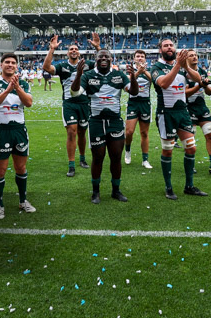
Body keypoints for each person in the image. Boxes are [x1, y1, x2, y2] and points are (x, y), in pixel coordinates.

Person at [72, 50, 138, 203]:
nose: (103, 58)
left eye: (106, 56)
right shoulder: (88, 76)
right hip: (96, 122)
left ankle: (116, 190)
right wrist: (78, 75)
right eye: (100, 56)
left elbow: (134, 92)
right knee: (98, 157)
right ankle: (95, 192)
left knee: (116, 157)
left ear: (110, 59)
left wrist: (133, 77)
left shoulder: (118, 75)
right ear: (95, 59)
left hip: (115, 122)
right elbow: (75, 93)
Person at [150, 38, 207, 200]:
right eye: (165, 46)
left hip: (183, 112)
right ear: (160, 50)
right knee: (168, 150)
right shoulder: (156, 67)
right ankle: (168, 187)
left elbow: (198, 79)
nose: (169, 47)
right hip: (166, 113)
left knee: (191, 148)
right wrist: (177, 66)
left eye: (171, 45)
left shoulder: (182, 66)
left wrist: (186, 66)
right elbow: (164, 84)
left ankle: (189, 186)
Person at [0, 53, 35, 219]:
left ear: (16, 66)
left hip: (19, 131)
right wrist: (7, 90)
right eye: (7, 62)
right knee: (0, 171)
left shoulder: (23, 84)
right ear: (1, 65)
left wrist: (17, 87)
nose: (10, 65)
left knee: (21, 168)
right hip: (2, 132)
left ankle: (23, 201)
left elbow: (28, 103)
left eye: (13, 63)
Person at [42, 33, 100, 176]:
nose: (73, 51)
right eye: (71, 49)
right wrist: (52, 49)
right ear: (67, 53)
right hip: (69, 103)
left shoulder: (88, 65)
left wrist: (98, 48)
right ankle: (71, 165)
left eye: (76, 49)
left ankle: (82, 158)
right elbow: (46, 67)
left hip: (84, 103)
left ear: (79, 53)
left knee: (82, 132)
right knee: (71, 131)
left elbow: (103, 63)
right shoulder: (62, 66)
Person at [185, 50, 211, 176]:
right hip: (188, 108)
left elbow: (209, 92)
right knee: (191, 138)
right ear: (186, 59)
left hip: (202, 108)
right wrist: (199, 86)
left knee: (210, 135)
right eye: (191, 55)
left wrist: (205, 86)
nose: (194, 57)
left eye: (195, 55)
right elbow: (184, 94)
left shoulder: (202, 72)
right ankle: (190, 165)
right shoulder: (182, 73)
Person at [123, 49, 153, 170]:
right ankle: (127, 151)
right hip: (133, 103)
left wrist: (143, 71)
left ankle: (145, 159)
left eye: (142, 56)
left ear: (145, 59)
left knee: (144, 133)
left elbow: (154, 81)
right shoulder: (130, 71)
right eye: (138, 56)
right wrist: (138, 72)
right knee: (129, 132)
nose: (140, 58)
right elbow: (127, 83)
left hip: (145, 103)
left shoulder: (150, 71)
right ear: (134, 59)